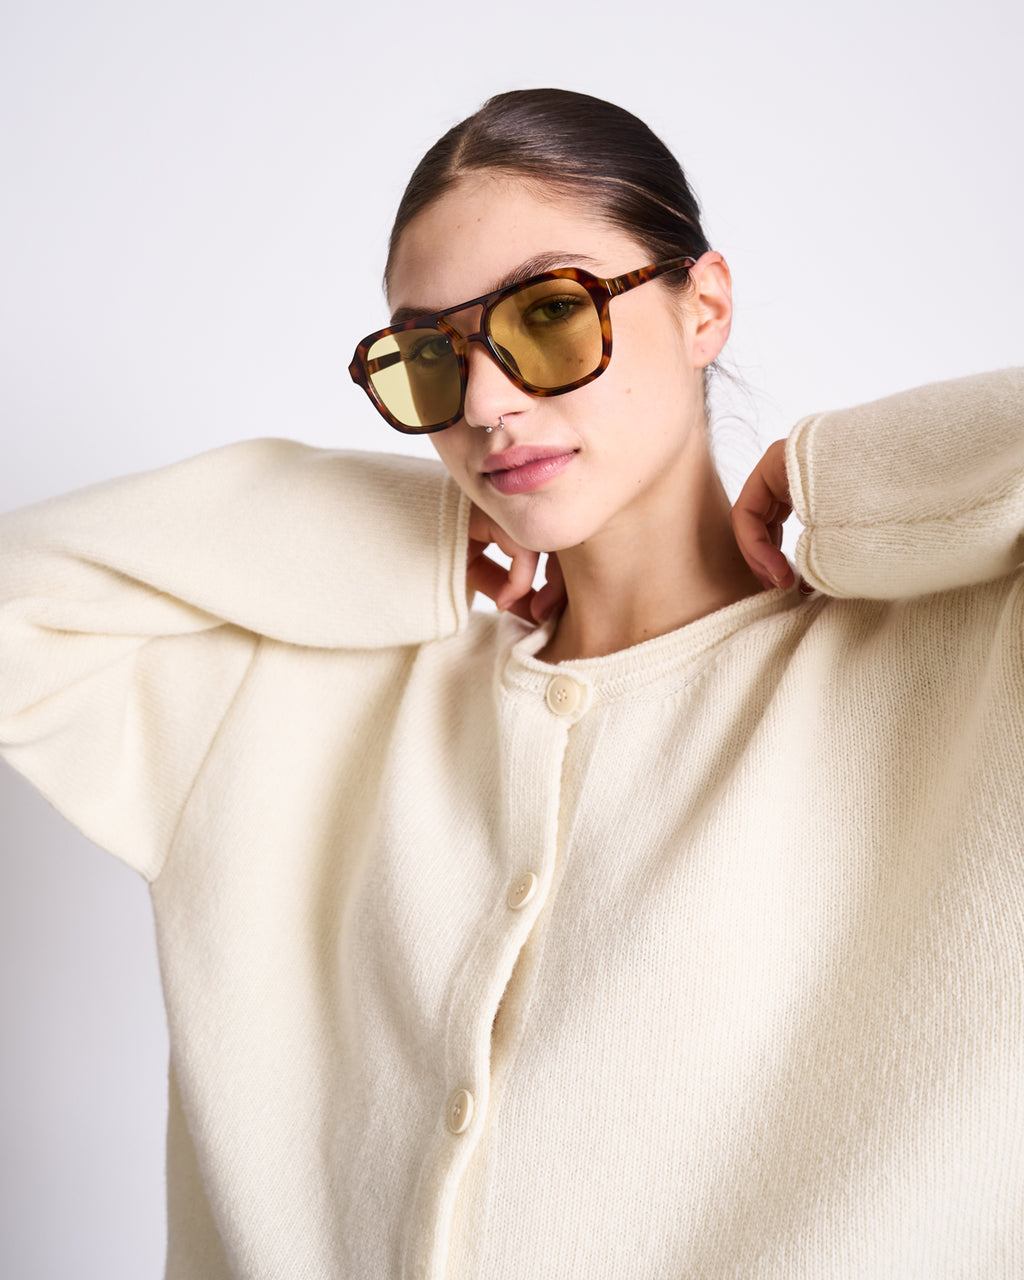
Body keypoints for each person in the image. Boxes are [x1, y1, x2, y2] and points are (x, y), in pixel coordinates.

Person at [1, 87, 1022, 1279]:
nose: (485, 403)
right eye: (430, 357)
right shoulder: (291, 705)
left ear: (704, 306)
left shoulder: (960, 679)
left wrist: (854, 482)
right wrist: (406, 537)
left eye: (547, 313)